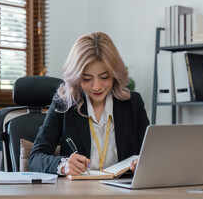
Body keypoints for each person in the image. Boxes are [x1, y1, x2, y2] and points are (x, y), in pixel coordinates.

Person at [28, 32, 149, 176]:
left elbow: (152, 154)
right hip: (80, 192)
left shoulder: (132, 103)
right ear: (76, 77)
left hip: (123, 191)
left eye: (104, 77)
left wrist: (142, 162)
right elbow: (35, 158)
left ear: (115, 74)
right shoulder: (64, 104)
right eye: (86, 79)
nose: (97, 87)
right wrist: (63, 165)